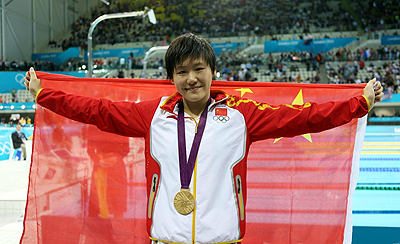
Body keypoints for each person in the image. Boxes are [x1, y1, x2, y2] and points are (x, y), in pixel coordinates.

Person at [24, 33, 384, 244]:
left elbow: (303, 117)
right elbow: (96, 110)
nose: (191, 78)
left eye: (199, 69)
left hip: (224, 240)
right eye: (182, 72)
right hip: (166, 238)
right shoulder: (152, 115)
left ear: (214, 72)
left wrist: (358, 103)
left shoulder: (243, 116)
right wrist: (45, 95)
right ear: (172, 78)